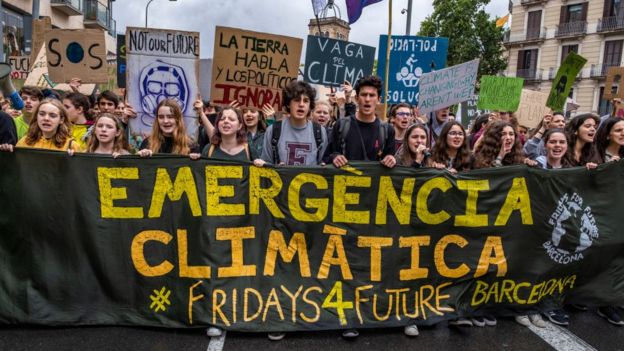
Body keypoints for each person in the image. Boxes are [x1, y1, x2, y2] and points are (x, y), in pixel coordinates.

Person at [325, 75, 396, 171]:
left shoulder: (387, 130)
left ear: (379, 100)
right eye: (364, 95)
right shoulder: (341, 125)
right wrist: (335, 157)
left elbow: (389, 160)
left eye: (372, 95)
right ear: (357, 98)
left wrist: (391, 159)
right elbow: (326, 157)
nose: (367, 99)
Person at [256, 81, 328, 167]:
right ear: (288, 104)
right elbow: (266, 164)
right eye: (297, 100)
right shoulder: (273, 130)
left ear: (310, 106)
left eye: (305, 101)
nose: (301, 104)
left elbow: (323, 166)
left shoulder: (319, 131)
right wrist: (274, 167)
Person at [0, 99, 80, 153]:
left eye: (52, 115)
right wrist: (7, 153)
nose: (46, 118)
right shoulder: (25, 142)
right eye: (42, 114)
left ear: (61, 120)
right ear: (36, 117)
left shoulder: (71, 146)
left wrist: (72, 160)